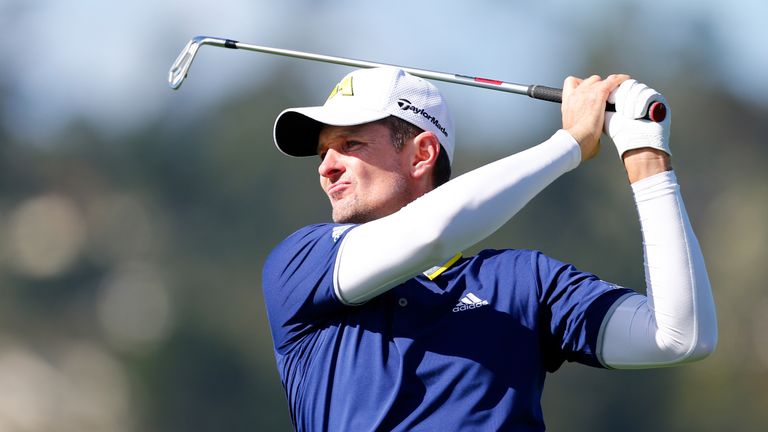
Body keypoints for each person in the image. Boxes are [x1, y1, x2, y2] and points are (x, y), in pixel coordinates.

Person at [262, 66, 717, 431]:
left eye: (349, 144)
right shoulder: (301, 264)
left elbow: (680, 337)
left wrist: (646, 155)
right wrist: (570, 144)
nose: (327, 168)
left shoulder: (525, 282)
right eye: (323, 153)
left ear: (422, 154)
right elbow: (431, 232)